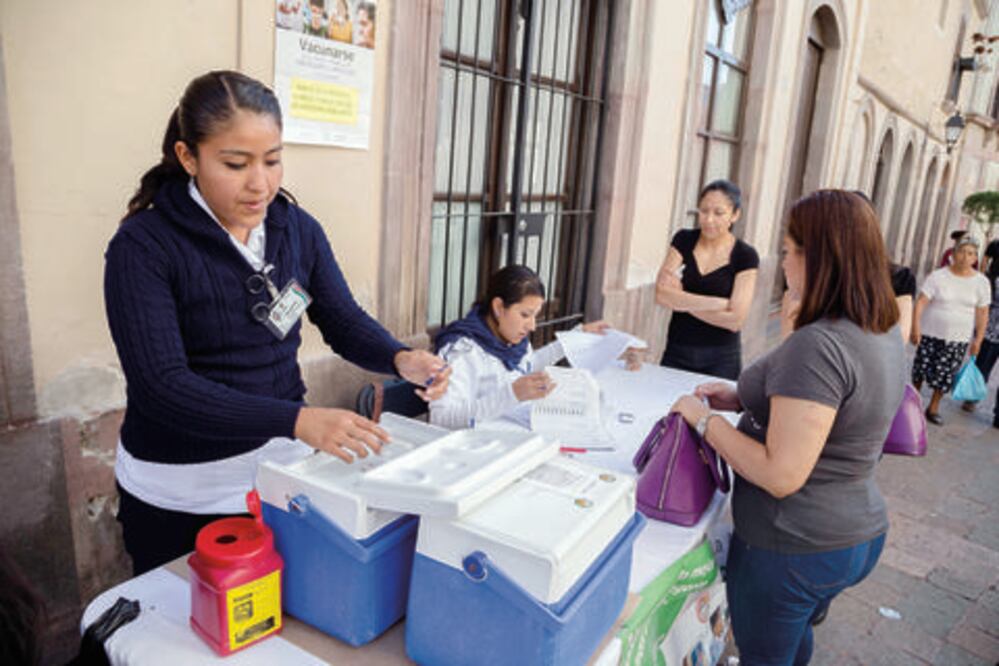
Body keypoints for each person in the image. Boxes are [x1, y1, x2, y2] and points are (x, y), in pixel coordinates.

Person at [105, 71, 450, 575]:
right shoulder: (144, 247)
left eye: (272, 160)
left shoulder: (296, 230)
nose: (260, 183)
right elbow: (163, 386)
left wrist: (400, 357)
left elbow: (342, 319)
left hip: (280, 470)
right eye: (235, 163)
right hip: (180, 492)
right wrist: (297, 420)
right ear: (187, 157)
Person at [671, 190, 905, 665]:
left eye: (787, 250)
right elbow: (830, 405)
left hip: (792, 546)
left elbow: (781, 473)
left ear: (815, 257)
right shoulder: (879, 327)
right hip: (852, 533)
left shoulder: (819, 344)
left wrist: (706, 421)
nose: (782, 263)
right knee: (792, 643)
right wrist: (741, 396)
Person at [429, 265, 610, 429]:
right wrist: (512, 394)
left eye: (535, 316)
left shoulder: (512, 341)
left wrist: (575, 337)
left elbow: (528, 364)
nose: (532, 326)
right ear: (499, 307)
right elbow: (442, 419)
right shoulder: (462, 351)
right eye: (525, 314)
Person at [655, 180, 759, 380]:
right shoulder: (683, 240)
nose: (709, 219)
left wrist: (681, 301)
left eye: (719, 213)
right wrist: (716, 303)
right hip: (677, 351)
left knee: (715, 412)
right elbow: (661, 295)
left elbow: (735, 320)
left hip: (721, 359)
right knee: (665, 409)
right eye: (704, 211)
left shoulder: (745, 255)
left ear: (735, 215)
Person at [911, 235, 990, 425]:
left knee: (945, 374)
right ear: (953, 253)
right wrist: (915, 326)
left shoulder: (981, 282)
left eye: (970, 253)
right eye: (961, 251)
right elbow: (921, 301)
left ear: (975, 258)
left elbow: (982, 313)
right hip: (930, 333)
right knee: (920, 371)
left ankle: (933, 408)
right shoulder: (938, 276)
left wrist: (978, 340)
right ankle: (911, 405)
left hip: (958, 338)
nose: (965, 256)